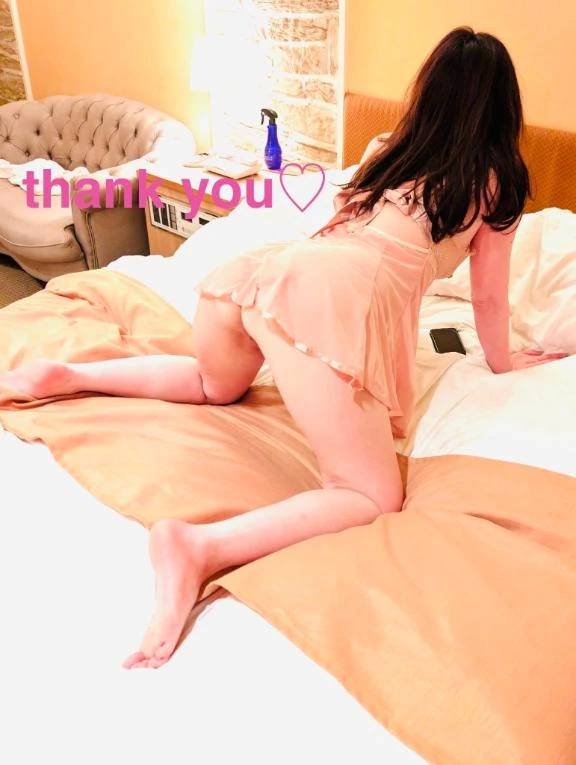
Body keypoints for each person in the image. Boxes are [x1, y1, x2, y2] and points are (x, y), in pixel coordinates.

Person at [1, 27, 532, 669]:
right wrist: (507, 364)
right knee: (370, 496)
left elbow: (345, 237)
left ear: (430, 94)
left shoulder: (387, 152)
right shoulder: (496, 182)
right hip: (321, 293)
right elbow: (489, 300)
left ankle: (65, 374)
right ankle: (199, 547)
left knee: (212, 383)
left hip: (266, 271)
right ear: (503, 108)